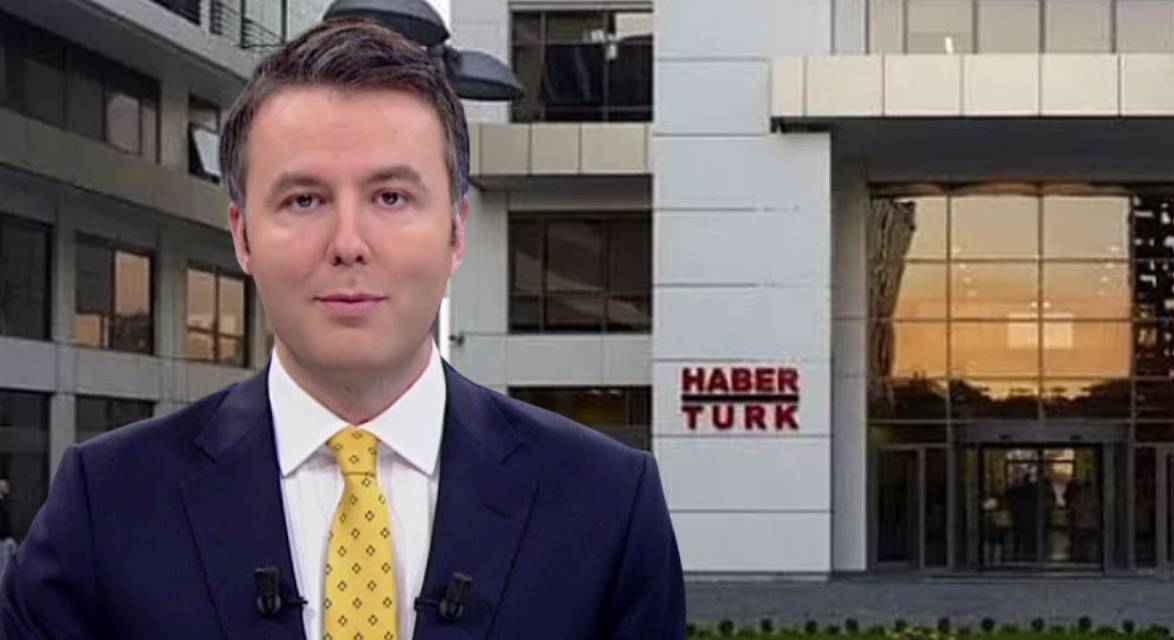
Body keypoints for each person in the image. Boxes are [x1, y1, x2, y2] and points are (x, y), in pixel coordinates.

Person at [0, 18, 685, 639]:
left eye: (391, 197)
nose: (349, 243)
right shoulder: (106, 503)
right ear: (243, 235)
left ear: (455, 232)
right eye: (305, 199)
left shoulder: (607, 508)